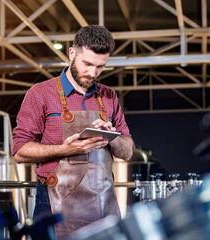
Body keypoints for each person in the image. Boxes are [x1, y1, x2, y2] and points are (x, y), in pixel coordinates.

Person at [12, 25, 134, 239]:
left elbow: (128, 152)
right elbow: (20, 151)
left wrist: (112, 136)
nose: (92, 73)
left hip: (102, 203)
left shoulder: (109, 97)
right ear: (72, 53)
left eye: (100, 67)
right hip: (54, 204)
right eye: (87, 64)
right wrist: (64, 149)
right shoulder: (40, 94)